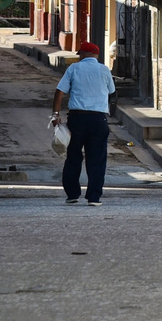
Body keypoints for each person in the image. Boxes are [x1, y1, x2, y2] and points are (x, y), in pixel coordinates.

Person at [51, 41, 115, 206]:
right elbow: (112, 93)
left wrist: (56, 114)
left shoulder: (73, 69)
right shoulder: (104, 70)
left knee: (73, 157)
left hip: (77, 118)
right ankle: (94, 197)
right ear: (96, 55)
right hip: (98, 119)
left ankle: (72, 194)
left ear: (83, 54)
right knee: (97, 159)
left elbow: (60, 91)